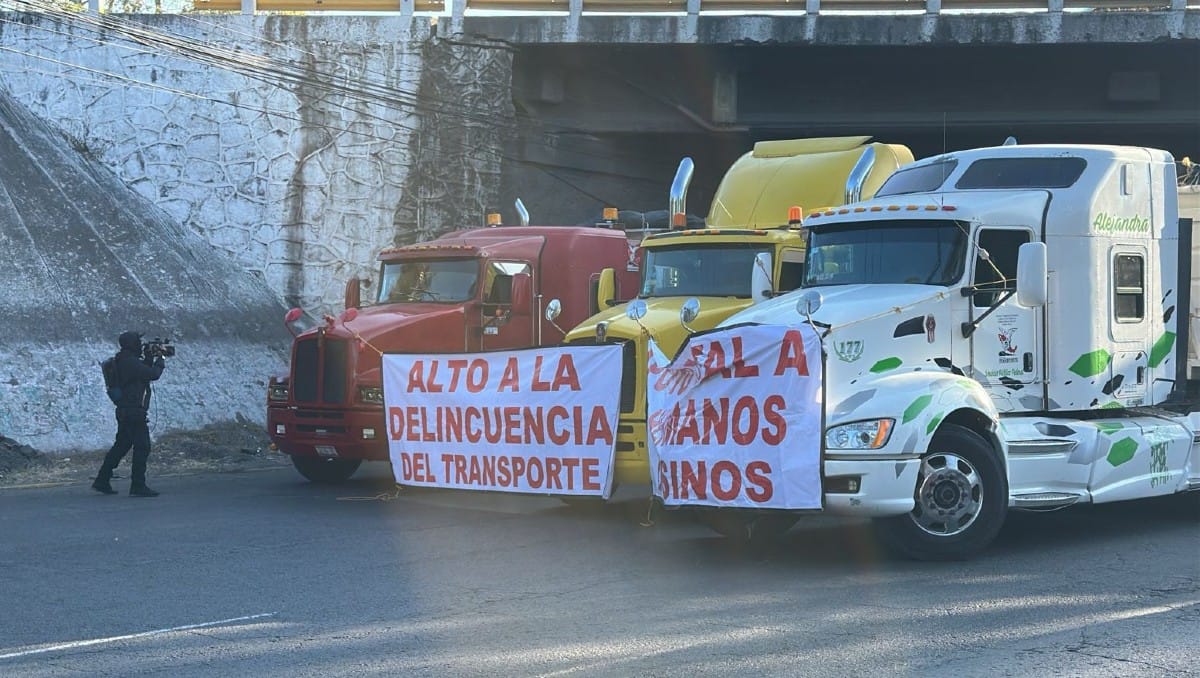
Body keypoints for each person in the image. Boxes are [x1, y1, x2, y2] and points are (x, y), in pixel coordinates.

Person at [92, 331, 166, 497]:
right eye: (138, 342)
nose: (141, 344)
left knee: (121, 446)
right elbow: (153, 374)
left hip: (125, 410)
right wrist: (160, 359)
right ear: (133, 344)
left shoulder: (122, 360)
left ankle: (102, 480)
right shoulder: (130, 362)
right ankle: (138, 485)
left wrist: (148, 358)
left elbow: (142, 373)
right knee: (142, 446)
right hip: (134, 412)